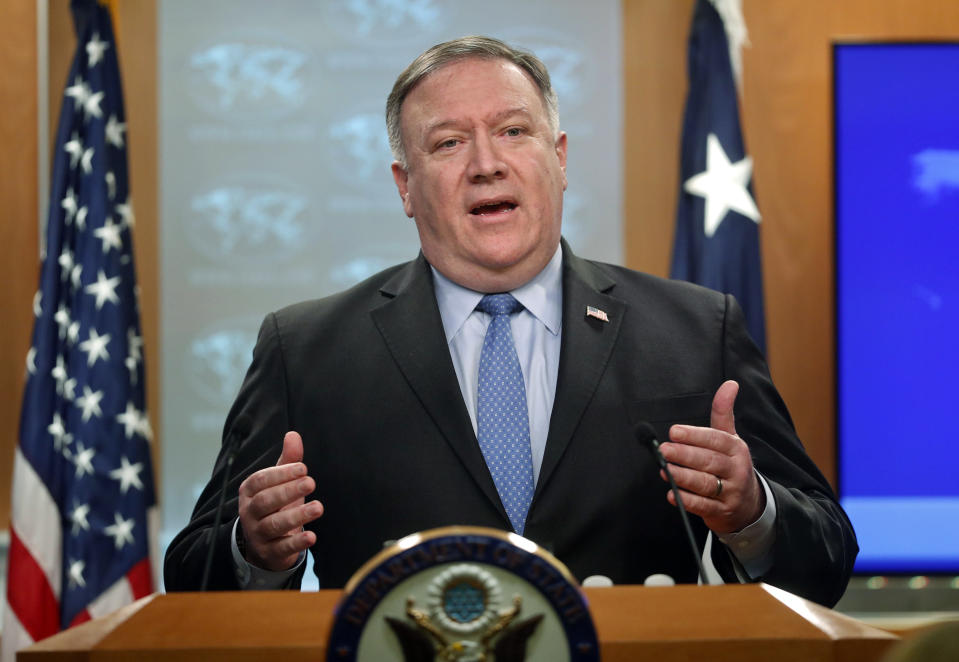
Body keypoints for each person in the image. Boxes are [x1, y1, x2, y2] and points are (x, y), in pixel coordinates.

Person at [164, 36, 857, 606]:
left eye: (512, 131)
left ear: (557, 159)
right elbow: (191, 576)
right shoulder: (305, 349)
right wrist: (252, 547)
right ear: (405, 186)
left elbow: (825, 560)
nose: (486, 165)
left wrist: (751, 513)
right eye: (446, 144)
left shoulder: (696, 330)